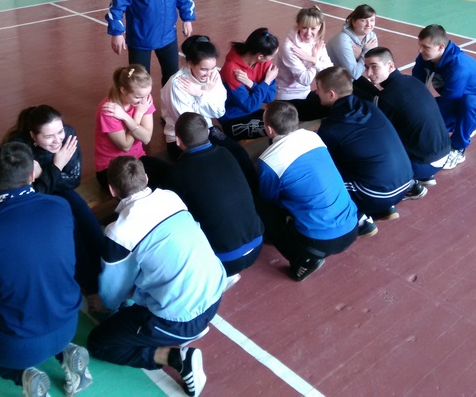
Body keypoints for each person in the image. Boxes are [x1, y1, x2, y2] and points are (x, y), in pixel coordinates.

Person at [0, 142, 93, 397]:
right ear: (31, 175)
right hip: (69, 324)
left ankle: (24, 376)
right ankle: (67, 352)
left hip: (20, 347)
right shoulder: (60, 206)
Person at [87, 156, 226, 397]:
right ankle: (185, 329)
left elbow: (113, 294)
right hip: (214, 296)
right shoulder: (171, 198)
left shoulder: (119, 233)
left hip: (180, 320)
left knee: (100, 342)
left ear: (111, 190)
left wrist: (103, 303)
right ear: (146, 178)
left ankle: (175, 357)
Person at [2, 105, 104, 303]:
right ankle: (91, 286)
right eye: (49, 136)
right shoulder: (19, 150)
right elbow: (35, 194)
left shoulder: (69, 137)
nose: (58, 140)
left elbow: (73, 180)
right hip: (29, 201)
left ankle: (108, 267)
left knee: (83, 212)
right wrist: (57, 166)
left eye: (60, 131)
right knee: (68, 225)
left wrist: (44, 173)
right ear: (33, 136)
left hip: (53, 186)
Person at [257, 102, 358, 282]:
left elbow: (269, 198)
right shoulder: (313, 137)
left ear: (269, 130)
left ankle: (300, 258)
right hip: (352, 226)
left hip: (321, 241)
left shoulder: (268, 161)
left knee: (262, 208)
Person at [315, 67, 413, 238]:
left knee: (323, 179)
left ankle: (361, 220)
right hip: (405, 180)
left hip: (379, 193)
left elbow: (326, 164)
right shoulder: (369, 106)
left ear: (331, 94)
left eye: (318, 89)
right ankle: (384, 208)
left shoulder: (331, 128)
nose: (316, 92)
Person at [173, 112, 264, 285]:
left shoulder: (179, 171)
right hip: (257, 242)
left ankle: (220, 277)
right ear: (208, 133)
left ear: (177, 140)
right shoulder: (225, 152)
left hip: (225, 260)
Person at [412, 24, 476, 169]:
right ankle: (466, 124)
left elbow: (449, 103)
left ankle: (458, 148)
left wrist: (432, 127)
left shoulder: (459, 68)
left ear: (441, 47)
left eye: (426, 47)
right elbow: (417, 87)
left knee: (468, 105)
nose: (420, 50)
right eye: (420, 45)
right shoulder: (425, 58)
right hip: (458, 101)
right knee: (423, 116)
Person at [364, 47, 451, 196]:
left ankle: (410, 185)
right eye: (366, 68)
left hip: (424, 164)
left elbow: (377, 136)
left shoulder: (385, 98)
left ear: (390, 65)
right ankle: (423, 174)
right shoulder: (413, 81)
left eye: (374, 67)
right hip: (444, 153)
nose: (369, 73)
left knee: (371, 151)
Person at [94, 65, 172, 191]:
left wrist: (130, 116)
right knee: (148, 188)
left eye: (147, 94)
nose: (143, 100)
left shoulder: (144, 99)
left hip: (136, 159)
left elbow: (146, 138)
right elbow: (125, 146)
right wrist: (137, 115)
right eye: (137, 97)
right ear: (123, 90)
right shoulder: (109, 109)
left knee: (171, 175)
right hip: (112, 167)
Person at [160, 35, 227, 160]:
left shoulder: (213, 75)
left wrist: (202, 94)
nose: (209, 74)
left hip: (207, 130)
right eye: (204, 69)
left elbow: (219, 112)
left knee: (237, 153)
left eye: (213, 68)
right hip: (184, 140)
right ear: (190, 63)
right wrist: (205, 94)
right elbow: (189, 125)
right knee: (213, 162)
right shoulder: (177, 84)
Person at [219, 27, 279, 140]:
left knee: (281, 121)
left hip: (253, 111)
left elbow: (269, 97)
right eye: (272, 56)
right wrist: (266, 81)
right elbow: (249, 106)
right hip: (233, 118)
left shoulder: (265, 63)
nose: (272, 59)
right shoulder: (232, 70)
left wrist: (251, 84)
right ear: (260, 56)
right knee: (277, 128)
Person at [276, 6, 332, 121]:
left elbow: (330, 71)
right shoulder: (288, 47)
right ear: (298, 25)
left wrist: (313, 60)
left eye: (313, 28)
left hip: (305, 93)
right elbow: (305, 80)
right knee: (329, 110)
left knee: (337, 103)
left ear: (320, 27)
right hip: (287, 97)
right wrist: (315, 58)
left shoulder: (316, 42)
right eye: (304, 28)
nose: (308, 33)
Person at [325, 4, 380, 99]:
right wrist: (365, 52)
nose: (369, 25)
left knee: (379, 96)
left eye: (372, 20)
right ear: (354, 22)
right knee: (371, 100)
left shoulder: (371, 36)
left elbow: (372, 65)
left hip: (349, 77)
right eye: (363, 20)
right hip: (335, 81)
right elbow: (355, 73)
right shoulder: (343, 40)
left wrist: (360, 55)